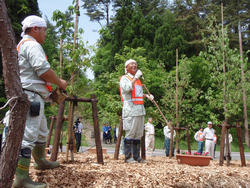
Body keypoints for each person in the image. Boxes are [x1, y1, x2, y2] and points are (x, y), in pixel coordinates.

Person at [13, 15, 67, 188]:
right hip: (31, 97)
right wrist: (60, 82)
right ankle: (21, 178)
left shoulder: (24, 45)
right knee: (28, 137)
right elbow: (43, 70)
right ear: (35, 29)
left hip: (35, 96)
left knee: (41, 132)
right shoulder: (32, 45)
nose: (45, 34)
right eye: (44, 30)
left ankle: (40, 161)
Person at [119, 59, 154, 163]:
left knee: (138, 134)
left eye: (135, 63)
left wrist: (147, 96)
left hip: (139, 110)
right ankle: (128, 157)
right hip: (130, 110)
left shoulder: (138, 80)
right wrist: (135, 77)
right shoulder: (124, 78)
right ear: (126, 67)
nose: (134, 65)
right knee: (130, 133)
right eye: (131, 63)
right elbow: (127, 88)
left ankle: (136, 157)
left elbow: (137, 94)